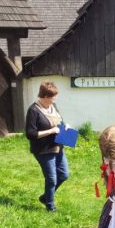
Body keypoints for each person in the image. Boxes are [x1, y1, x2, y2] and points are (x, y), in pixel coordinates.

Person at [25, 82, 70, 212]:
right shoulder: (33, 110)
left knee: (64, 174)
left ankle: (45, 197)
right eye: (53, 96)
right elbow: (30, 134)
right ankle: (50, 206)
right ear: (45, 96)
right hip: (43, 150)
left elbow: (60, 121)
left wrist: (65, 125)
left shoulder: (53, 106)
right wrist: (51, 131)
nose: (55, 99)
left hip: (57, 146)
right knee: (51, 179)